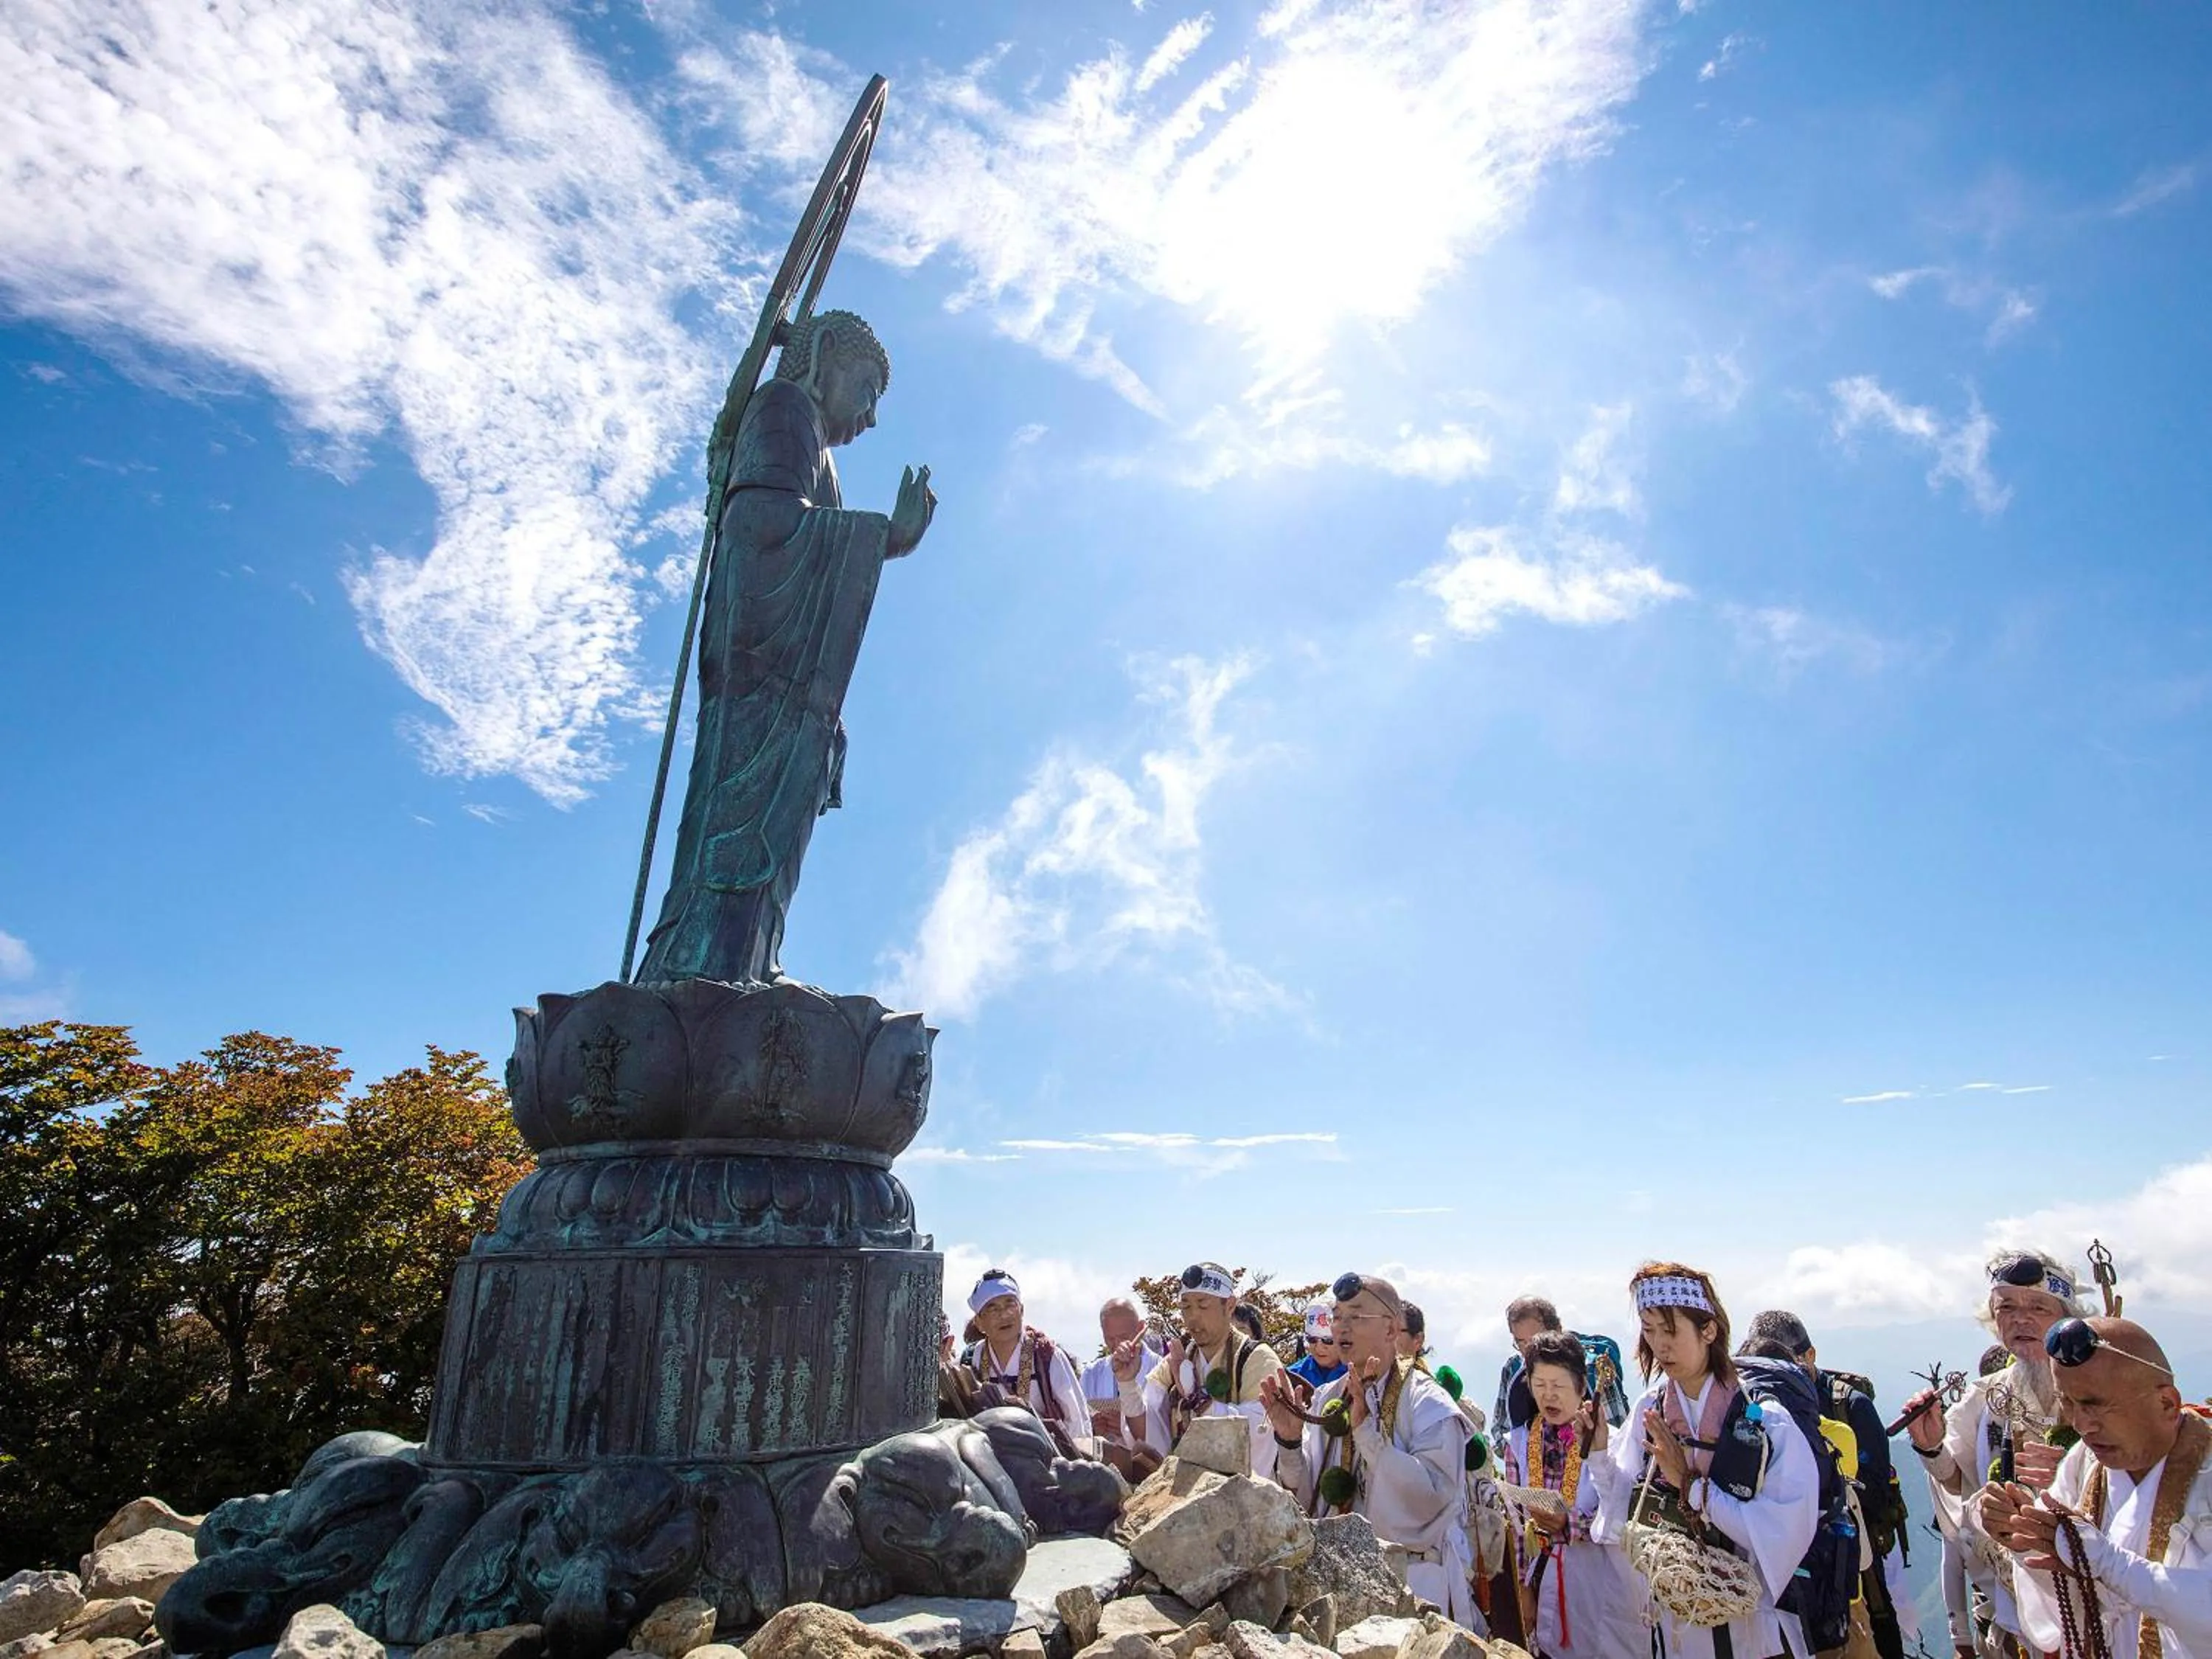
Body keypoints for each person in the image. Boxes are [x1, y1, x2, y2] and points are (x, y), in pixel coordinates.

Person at [638, 308, 936, 983]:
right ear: (824, 354)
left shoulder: (819, 452)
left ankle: (746, 957)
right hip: (759, 672)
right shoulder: (781, 410)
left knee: (777, 831)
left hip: (791, 688)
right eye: (866, 389)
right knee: (740, 827)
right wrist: (883, 536)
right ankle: (706, 965)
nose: (870, 416)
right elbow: (761, 529)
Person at [1589, 1262, 1821, 1659]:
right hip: (1677, 1619)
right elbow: (1621, 1508)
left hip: (1749, 1627)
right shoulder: (1652, 1409)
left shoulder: (1765, 1420)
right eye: (1649, 1330)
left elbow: (1782, 1531)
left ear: (1709, 1330)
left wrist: (1691, 1486)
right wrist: (1596, 1451)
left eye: (1671, 1330)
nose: (1660, 1346)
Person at [1980, 1317, 2211, 1659]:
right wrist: (2024, 1537)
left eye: (2095, 1405)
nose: (2081, 1425)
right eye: (2068, 1404)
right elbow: (2058, 1595)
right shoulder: (2084, 1464)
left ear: (2166, 1404)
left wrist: (2109, 1564)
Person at [1259, 1271, 1478, 1626]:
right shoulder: (1330, 1397)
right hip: (1339, 1584)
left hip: (1415, 1584)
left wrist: (1367, 1435)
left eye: (1356, 1317)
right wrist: (1287, 1441)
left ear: (1391, 1330)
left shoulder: (1427, 1403)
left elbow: (1431, 1501)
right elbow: (1305, 1499)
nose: (1341, 1328)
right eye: (1338, 1317)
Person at [1901, 1249, 2090, 1659]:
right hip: (2013, 1600)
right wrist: (1929, 1443)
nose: (2020, 1319)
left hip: (2094, 1592)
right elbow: (1957, 1477)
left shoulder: (2100, 1387)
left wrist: (2077, 1470)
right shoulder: (1987, 1396)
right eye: (2007, 1308)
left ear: (2066, 1315)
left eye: (2037, 1307)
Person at [1747, 1310, 1908, 1659]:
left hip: (1849, 1568)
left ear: (1810, 1355)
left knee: (1872, 1632)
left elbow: (1875, 1494)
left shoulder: (1848, 1408)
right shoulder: (1751, 1411)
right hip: (1787, 1579)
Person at [1501, 1329, 1641, 1659]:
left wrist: (1570, 1523)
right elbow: (1517, 1526)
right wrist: (1523, 1589)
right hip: (1540, 1575)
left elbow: (1626, 1516)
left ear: (1581, 1387)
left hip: (1597, 1582)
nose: (1549, 1396)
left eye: (1559, 1386)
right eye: (1540, 1385)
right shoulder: (1518, 1443)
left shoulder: (1613, 1443)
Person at [1147, 1262, 1284, 1466]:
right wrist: (1128, 1385)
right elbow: (1149, 1416)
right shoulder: (1179, 1359)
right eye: (1185, 1307)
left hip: (1244, 1494)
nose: (1193, 1317)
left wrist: (1199, 1400)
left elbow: (1261, 1431)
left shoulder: (1258, 1358)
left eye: (1203, 1305)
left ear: (1229, 1306)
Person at [960, 1269, 1091, 1451]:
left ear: (1022, 1310)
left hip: (1049, 1456)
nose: (1004, 1315)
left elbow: (1077, 1419)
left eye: (1010, 1305)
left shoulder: (1046, 1354)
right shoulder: (974, 1357)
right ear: (979, 1322)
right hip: (995, 1456)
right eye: (993, 1309)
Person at [1498, 1295, 1632, 1435]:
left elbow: (1618, 1433)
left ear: (1558, 1330)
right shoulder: (1513, 1370)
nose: (1528, 1350)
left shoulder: (1592, 1369)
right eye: (1520, 1342)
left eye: (1536, 1340)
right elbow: (1501, 1431)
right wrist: (1526, 1449)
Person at [1081, 1296, 1168, 1470]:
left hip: (1152, 1470)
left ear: (1141, 1328)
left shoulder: (1162, 1369)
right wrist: (1094, 1427)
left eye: (1124, 1337)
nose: (1117, 1345)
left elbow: (1165, 1428)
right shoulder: (1092, 1373)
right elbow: (1078, 1423)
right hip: (1104, 1469)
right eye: (1110, 1339)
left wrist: (1125, 1426)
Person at [1290, 1304, 1348, 1388]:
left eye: (1328, 1340)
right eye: (1312, 1339)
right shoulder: (1294, 1376)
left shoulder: (1360, 1370)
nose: (1319, 1348)